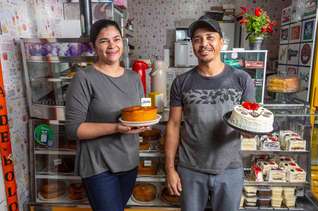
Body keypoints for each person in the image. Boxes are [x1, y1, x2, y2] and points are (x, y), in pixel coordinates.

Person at [165, 15, 255, 211]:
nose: (203, 43)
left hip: (230, 168)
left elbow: (249, 120)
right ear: (193, 46)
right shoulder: (181, 82)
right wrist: (170, 169)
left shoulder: (242, 79)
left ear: (222, 42)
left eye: (210, 37)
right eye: (197, 39)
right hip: (190, 169)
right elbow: (173, 125)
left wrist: (251, 130)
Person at [65, 19, 147, 211]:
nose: (112, 45)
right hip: (98, 165)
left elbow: (140, 112)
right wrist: (117, 128)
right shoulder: (84, 78)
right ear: (94, 46)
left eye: (116, 39)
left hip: (128, 162)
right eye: (104, 41)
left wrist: (144, 122)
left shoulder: (134, 77)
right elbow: (73, 129)